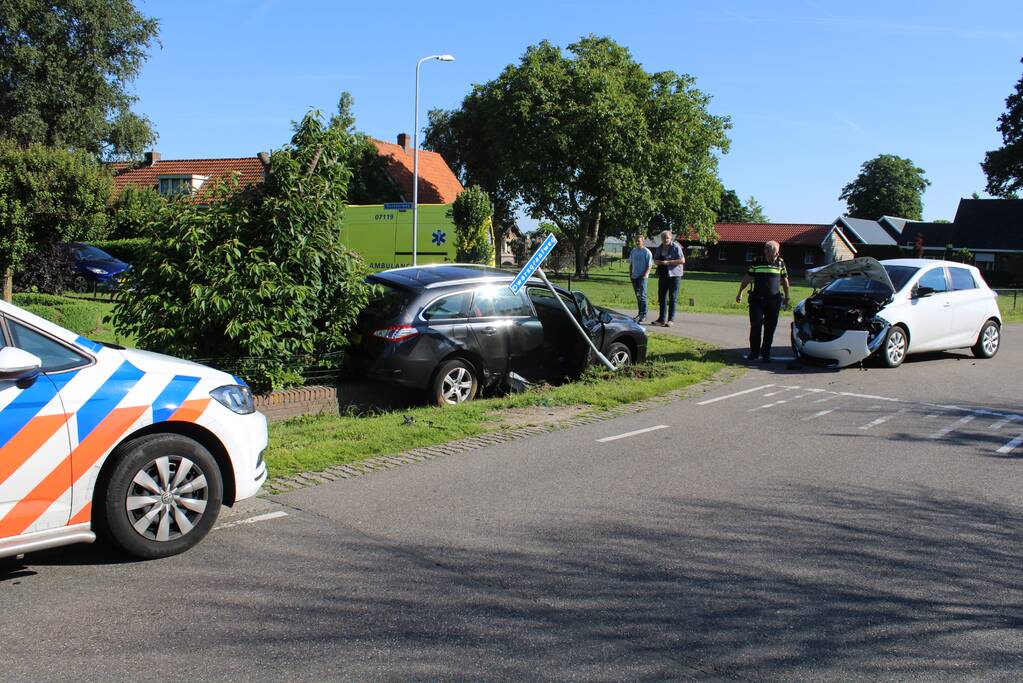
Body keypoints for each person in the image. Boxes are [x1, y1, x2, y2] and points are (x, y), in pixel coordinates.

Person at [736, 240, 790, 362]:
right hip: (757, 300)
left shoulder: (780, 263)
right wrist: (740, 292)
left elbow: (785, 281)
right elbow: (748, 278)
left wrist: (787, 296)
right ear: (767, 251)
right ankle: (754, 353)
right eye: (775, 253)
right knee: (755, 326)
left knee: (770, 328)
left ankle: (766, 353)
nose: (777, 255)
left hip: (774, 300)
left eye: (777, 253)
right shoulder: (757, 261)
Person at [652, 230, 685, 326]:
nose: (665, 239)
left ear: (671, 238)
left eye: (667, 238)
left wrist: (669, 262)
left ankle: (671, 320)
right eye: (663, 238)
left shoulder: (676, 247)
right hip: (663, 275)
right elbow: (655, 259)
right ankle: (661, 319)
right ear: (661, 239)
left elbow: (682, 260)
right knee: (662, 297)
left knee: (673, 297)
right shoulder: (659, 248)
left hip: (674, 275)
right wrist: (658, 262)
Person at [628, 234, 653, 322]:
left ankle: (644, 314)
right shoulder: (633, 251)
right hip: (634, 276)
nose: (637, 242)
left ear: (643, 241)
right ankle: (640, 313)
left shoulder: (647, 252)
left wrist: (645, 275)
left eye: (639, 240)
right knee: (638, 296)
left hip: (642, 277)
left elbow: (649, 265)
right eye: (636, 241)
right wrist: (630, 274)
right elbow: (631, 263)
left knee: (642, 296)